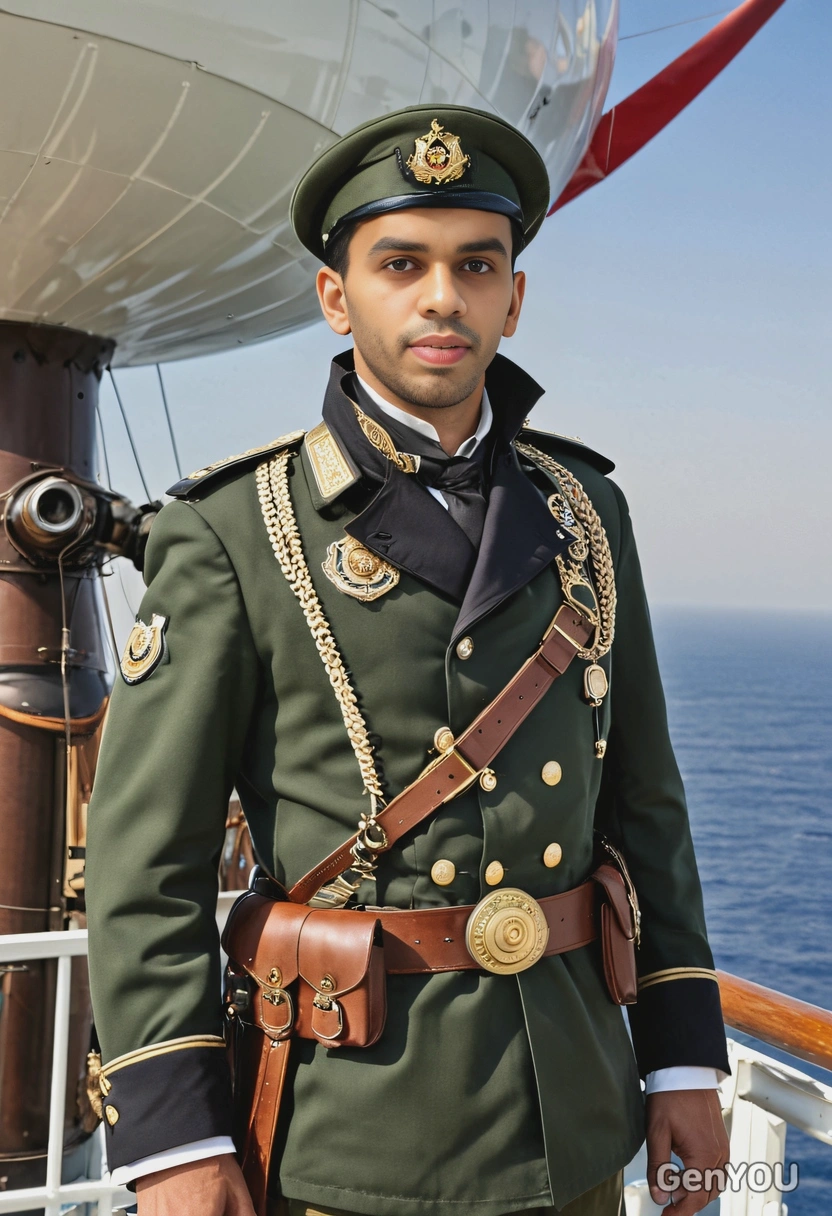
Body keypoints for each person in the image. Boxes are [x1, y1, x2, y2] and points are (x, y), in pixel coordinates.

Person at [85, 105, 731, 1216]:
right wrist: (176, 1141)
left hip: (571, 1119)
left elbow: (646, 804)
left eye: (476, 265)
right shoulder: (235, 532)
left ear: (512, 298)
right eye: (401, 264)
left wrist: (681, 1057)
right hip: (353, 1132)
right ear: (337, 296)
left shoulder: (585, 512)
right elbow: (149, 870)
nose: (443, 297)